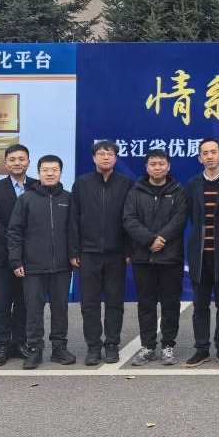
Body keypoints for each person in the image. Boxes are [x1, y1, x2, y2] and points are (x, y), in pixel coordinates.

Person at [7, 154, 77, 369]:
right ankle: (35, 349)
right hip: (33, 266)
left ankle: (59, 347)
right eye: (45, 170)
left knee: (60, 308)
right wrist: (16, 259)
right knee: (33, 310)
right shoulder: (26, 199)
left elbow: (74, 230)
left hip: (62, 266)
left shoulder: (68, 198)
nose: (50, 173)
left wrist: (74, 254)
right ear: (38, 173)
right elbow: (14, 231)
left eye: (54, 170)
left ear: (61, 173)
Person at [69, 141, 132, 366]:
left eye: (110, 154)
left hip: (117, 253)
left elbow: (131, 219)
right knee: (89, 304)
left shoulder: (126, 184)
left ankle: (112, 344)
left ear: (116, 158)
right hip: (88, 253)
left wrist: (129, 249)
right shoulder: (82, 184)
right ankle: (93, 347)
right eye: (101, 153)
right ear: (93, 157)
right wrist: (74, 250)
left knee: (115, 302)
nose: (106, 157)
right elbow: (73, 219)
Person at [124, 150, 189, 367]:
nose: (157, 167)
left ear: (168, 166)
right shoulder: (135, 191)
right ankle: (148, 346)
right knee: (146, 304)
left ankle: (168, 345)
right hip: (143, 257)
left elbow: (180, 219)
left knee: (171, 303)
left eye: (161, 164)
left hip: (170, 258)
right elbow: (129, 219)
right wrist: (149, 240)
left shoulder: (178, 190)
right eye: (153, 164)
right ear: (146, 167)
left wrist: (161, 239)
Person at [183, 138, 219, 368]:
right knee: (200, 305)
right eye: (205, 153)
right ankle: (201, 349)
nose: (210, 156)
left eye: (214, 152)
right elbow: (191, 216)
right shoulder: (193, 184)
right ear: (199, 158)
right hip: (200, 254)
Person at [0, 144, 36, 366]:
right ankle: (2, 346)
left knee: (24, 303)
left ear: (28, 162)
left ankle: (20, 342)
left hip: (31, 257)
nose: (17, 163)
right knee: (2, 304)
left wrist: (27, 245)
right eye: (12, 159)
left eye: (21, 159)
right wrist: (14, 242)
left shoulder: (38, 187)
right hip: (1, 256)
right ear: (5, 163)